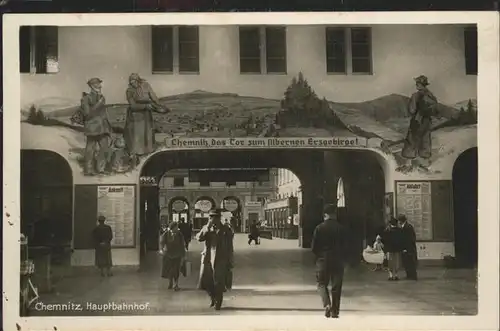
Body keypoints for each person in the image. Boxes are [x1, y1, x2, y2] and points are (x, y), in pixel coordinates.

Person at [311, 204, 348, 318]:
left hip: (323, 260)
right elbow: (347, 246)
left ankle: (327, 304)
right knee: (337, 286)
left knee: (321, 284)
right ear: (334, 214)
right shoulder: (341, 228)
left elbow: (314, 247)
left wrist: (319, 257)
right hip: (338, 260)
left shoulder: (319, 228)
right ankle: (335, 311)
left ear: (325, 215)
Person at [196, 209, 234, 310]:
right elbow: (199, 238)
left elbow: (230, 246)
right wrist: (207, 227)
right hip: (208, 258)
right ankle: (212, 297)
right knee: (207, 281)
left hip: (221, 258)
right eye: (211, 217)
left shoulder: (226, 229)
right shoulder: (207, 228)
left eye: (215, 217)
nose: (213, 219)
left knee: (219, 281)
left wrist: (230, 259)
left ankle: (218, 301)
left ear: (219, 218)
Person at [124, 73, 169, 158]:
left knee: (147, 132)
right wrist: (146, 106)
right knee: (137, 133)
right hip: (135, 114)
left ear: (138, 80)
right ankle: (135, 152)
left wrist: (159, 106)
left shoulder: (146, 86)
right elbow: (133, 105)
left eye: (134, 81)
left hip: (146, 113)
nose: (133, 84)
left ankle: (148, 150)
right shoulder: (129, 91)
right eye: (131, 82)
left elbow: (153, 96)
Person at [401, 75, 440, 171]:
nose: (416, 85)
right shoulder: (431, 96)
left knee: (411, 140)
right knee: (425, 140)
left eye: (417, 84)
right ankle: (425, 164)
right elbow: (436, 110)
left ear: (420, 84)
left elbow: (412, 110)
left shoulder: (415, 95)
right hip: (427, 121)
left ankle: (408, 164)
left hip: (417, 121)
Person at [80, 77, 112, 175]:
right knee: (90, 149)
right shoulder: (86, 98)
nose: (100, 86)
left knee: (105, 148)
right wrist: (99, 104)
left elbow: (104, 114)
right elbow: (87, 114)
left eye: (99, 84)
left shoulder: (102, 97)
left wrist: (109, 126)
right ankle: (88, 170)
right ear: (92, 86)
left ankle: (101, 168)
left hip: (102, 128)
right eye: (98, 84)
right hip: (92, 128)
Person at [159, 222, 186, 291]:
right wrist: (162, 249)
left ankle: (176, 284)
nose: (177, 229)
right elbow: (162, 242)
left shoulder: (179, 234)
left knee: (176, 270)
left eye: (177, 227)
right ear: (172, 228)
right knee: (170, 270)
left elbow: (182, 245)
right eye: (176, 227)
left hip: (177, 255)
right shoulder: (166, 234)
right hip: (168, 255)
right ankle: (170, 282)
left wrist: (183, 255)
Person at [398, 214, 418, 280]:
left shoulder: (408, 227)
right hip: (406, 248)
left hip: (409, 248)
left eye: (399, 220)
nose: (398, 222)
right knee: (406, 262)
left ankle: (413, 276)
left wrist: (406, 248)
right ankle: (409, 275)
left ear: (401, 220)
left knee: (410, 262)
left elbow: (409, 239)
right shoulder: (404, 227)